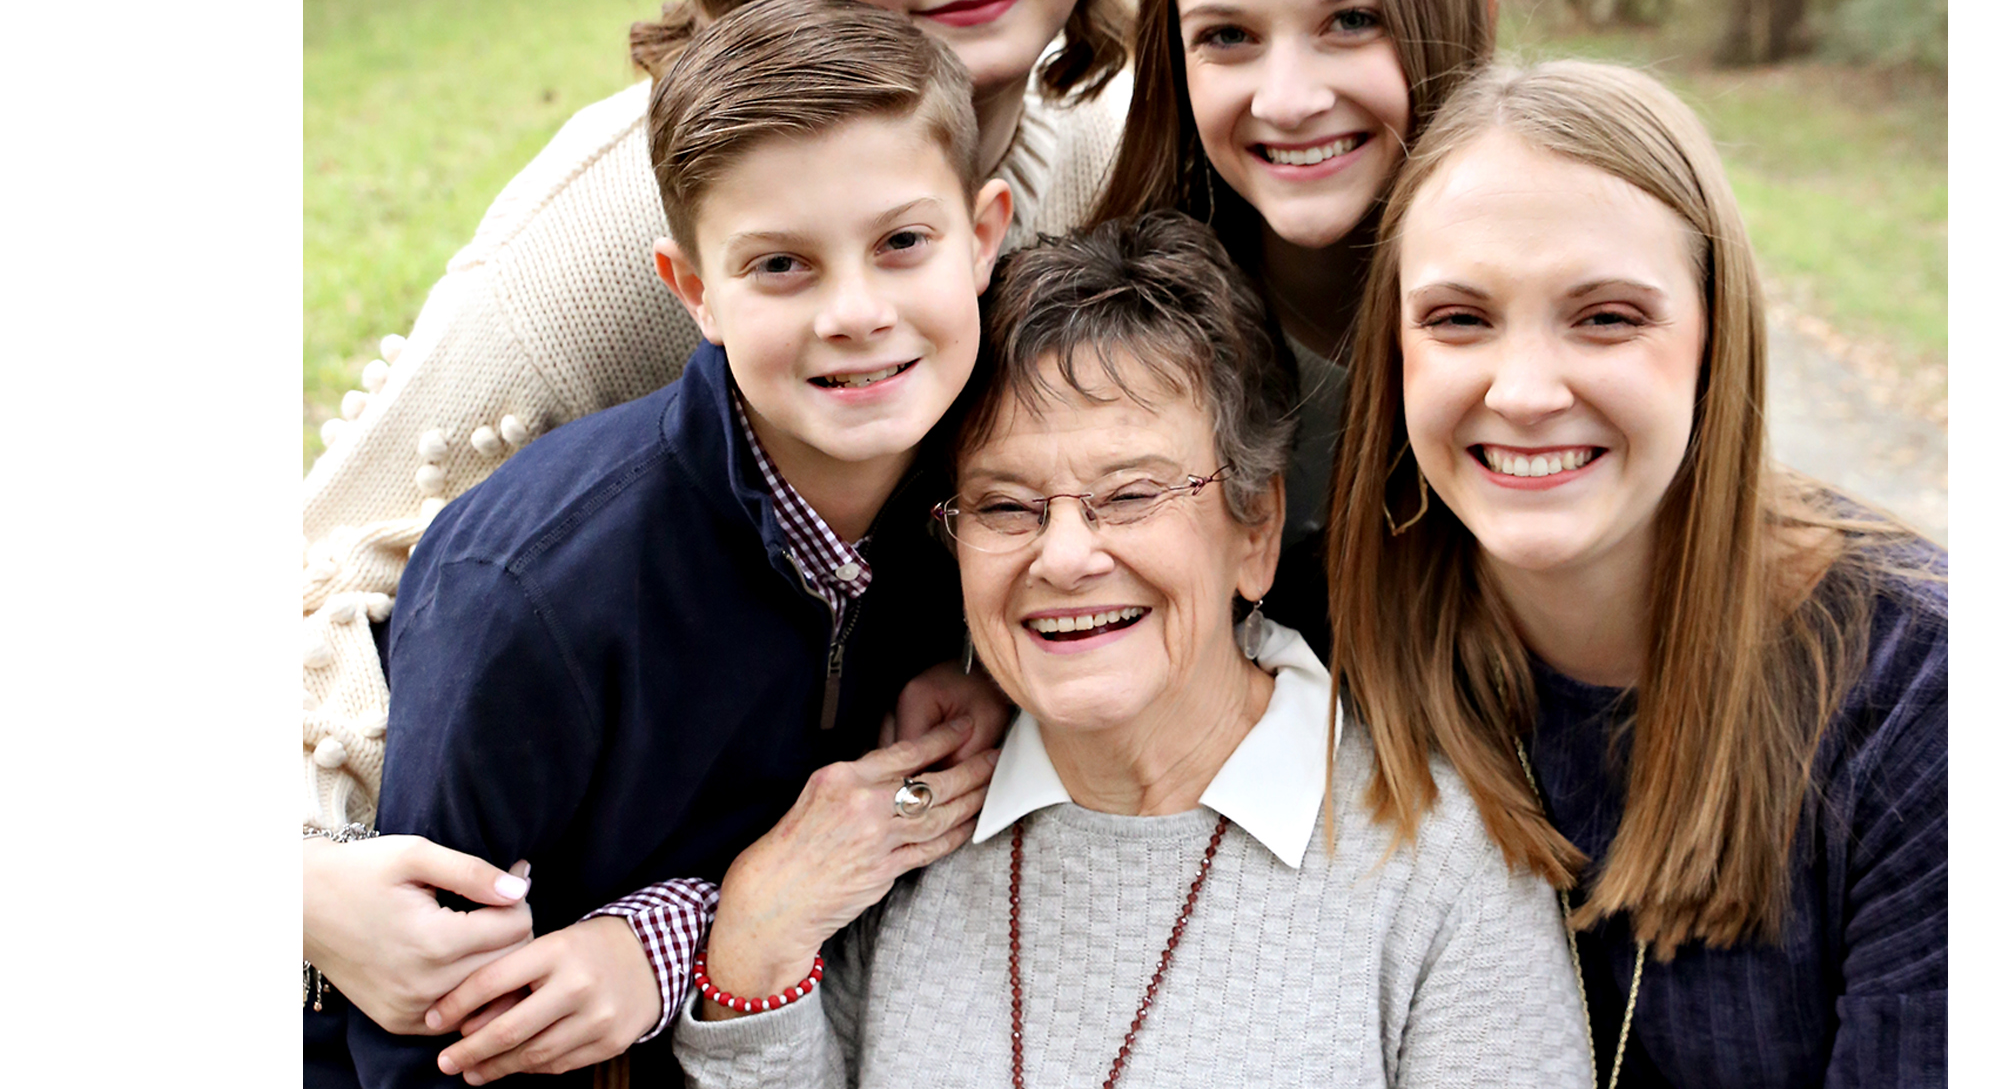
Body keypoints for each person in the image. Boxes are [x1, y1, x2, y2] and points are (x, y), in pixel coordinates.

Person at [302, 0, 1141, 1049]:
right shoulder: (629, 210)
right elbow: (327, 562)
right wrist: (300, 892)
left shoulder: (1098, 153)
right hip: (476, 851)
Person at [671, 212, 1593, 1089]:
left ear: (1256, 528)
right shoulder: (899, 839)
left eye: (1130, 495)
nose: (1065, 557)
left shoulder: (1442, 870)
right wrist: (753, 944)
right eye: (1006, 506)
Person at [327, 0, 1018, 1089]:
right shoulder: (531, 594)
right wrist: (681, 935)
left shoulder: (1000, 500)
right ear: (694, 290)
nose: (854, 311)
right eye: (780, 265)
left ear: (983, 238)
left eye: (901, 243)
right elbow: (426, 1039)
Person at [1326, 60, 1948, 1088]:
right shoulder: (1344, 648)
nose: (1524, 393)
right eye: (1459, 319)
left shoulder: (1921, 699)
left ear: (1714, 339)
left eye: (1607, 317)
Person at [1086, 0, 1498, 653]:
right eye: (1228, 37)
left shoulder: (1581, 315)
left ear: (1475, 15)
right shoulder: (1116, 347)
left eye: (1352, 21)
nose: (1288, 100)